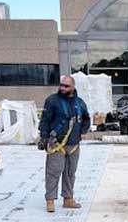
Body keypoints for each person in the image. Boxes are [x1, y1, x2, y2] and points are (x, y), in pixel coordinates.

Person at [38, 75, 90, 213]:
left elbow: (86, 118)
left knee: (70, 173)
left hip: (73, 144)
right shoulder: (52, 101)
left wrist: (83, 130)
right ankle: (50, 200)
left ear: (73, 87)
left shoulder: (80, 103)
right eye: (61, 85)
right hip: (56, 144)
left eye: (66, 86)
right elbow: (45, 120)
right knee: (53, 172)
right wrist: (43, 137)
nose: (62, 88)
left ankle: (68, 199)